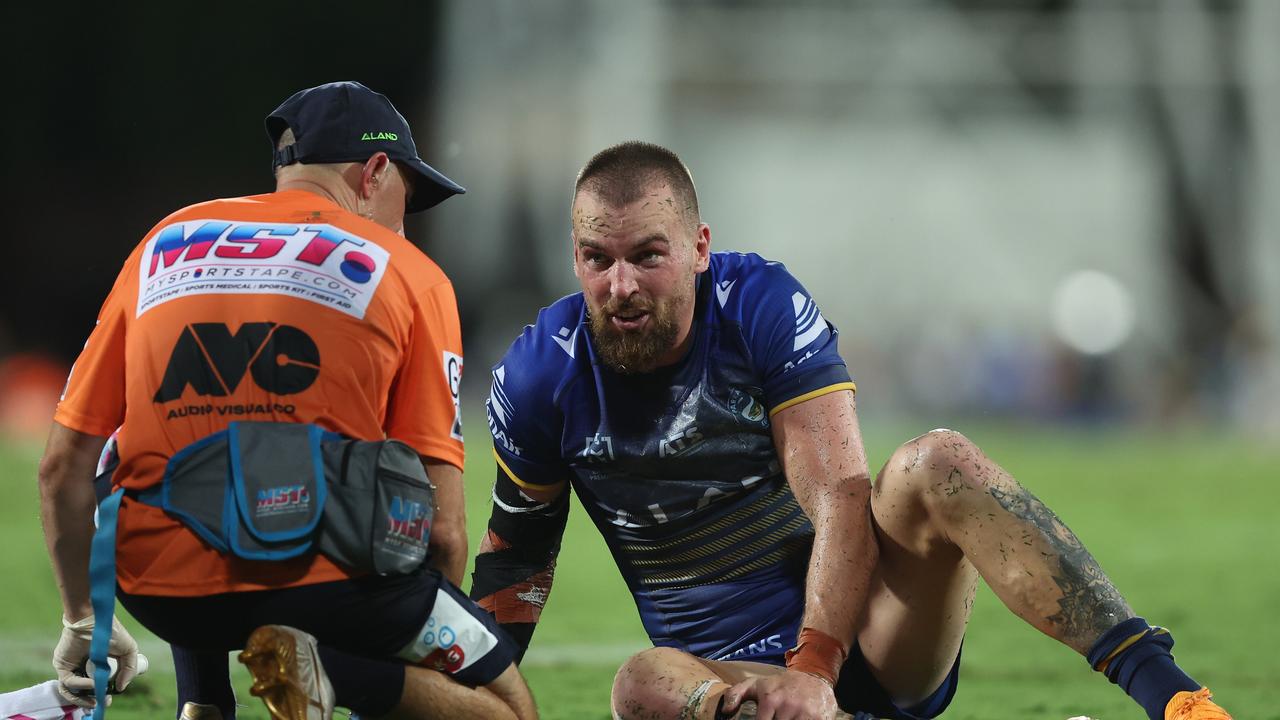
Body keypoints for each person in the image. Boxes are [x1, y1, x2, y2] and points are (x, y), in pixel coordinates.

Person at [469, 140, 1231, 720]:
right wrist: (477, 697)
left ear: (699, 249)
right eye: (598, 259)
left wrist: (817, 665)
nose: (621, 284)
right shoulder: (541, 375)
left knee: (938, 461)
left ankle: (1178, 701)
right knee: (639, 683)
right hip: (734, 680)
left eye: (648, 256)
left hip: (867, 633)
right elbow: (516, 561)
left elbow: (838, 490)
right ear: (575, 258)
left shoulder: (758, 303)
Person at [39, 81, 537, 720]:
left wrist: (84, 618)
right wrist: (394, 654)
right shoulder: (409, 271)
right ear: (375, 171)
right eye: (405, 201)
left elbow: (63, 467)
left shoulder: (165, 239)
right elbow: (442, 528)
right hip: (322, 584)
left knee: (174, 449)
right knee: (512, 710)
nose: (402, 224)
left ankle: (204, 701)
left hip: (159, 588)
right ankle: (325, 672)